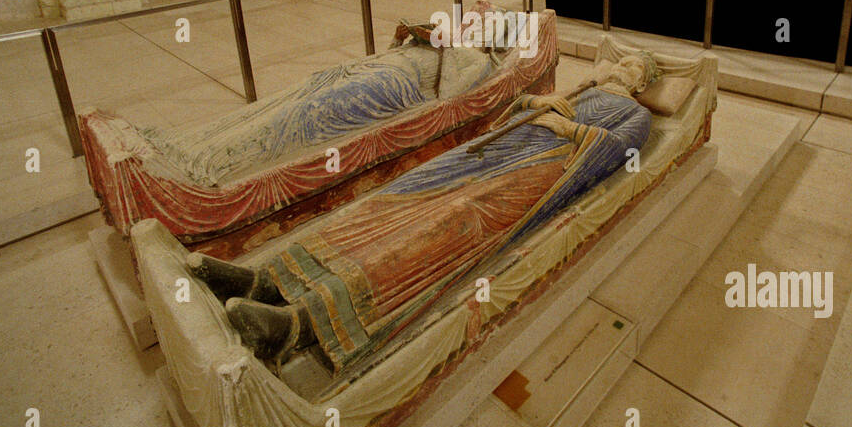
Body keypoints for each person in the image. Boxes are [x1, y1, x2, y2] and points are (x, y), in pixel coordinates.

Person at [189, 51, 662, 372]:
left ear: (642, 82)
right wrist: (536, 101)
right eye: (620, 61)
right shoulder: (579, 91)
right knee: (400, 193)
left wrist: (567, 130)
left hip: (541, 170)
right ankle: (268, 279)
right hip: (505, 145)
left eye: (633, 68)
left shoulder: (634, 114)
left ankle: (300, 325)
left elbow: (621, 152)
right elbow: (510, 112)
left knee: (450, 216)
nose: (622, 69)